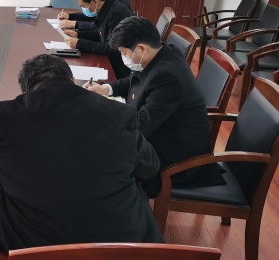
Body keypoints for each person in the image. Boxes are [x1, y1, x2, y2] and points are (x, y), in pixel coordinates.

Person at [0, 54, 163, 260]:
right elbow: (150, 166)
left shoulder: (7, 117)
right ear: (73, 80)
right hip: (116, 259)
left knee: (1, 184)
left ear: (26, 92)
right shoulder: (118, 114)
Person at [84, 17, 226, 196]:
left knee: (103, 156)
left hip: (176, 160)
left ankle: (121, 207)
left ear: (141, 48)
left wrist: (104, 107)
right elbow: (136, 81)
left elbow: (141, 124)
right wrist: (106, 89)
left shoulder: (168, 76)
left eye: (124, 53)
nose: (124, 58)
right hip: (160, 135)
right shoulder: (160, 54)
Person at [60, 0, 131, 79]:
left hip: (117, 68)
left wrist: (80, 43)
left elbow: (113, 49)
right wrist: (78, 35)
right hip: (108, 60)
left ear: (94, 2)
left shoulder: (116, 13)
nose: (83, 9)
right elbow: (100, 34)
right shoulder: (106, 7)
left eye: (83, 6)